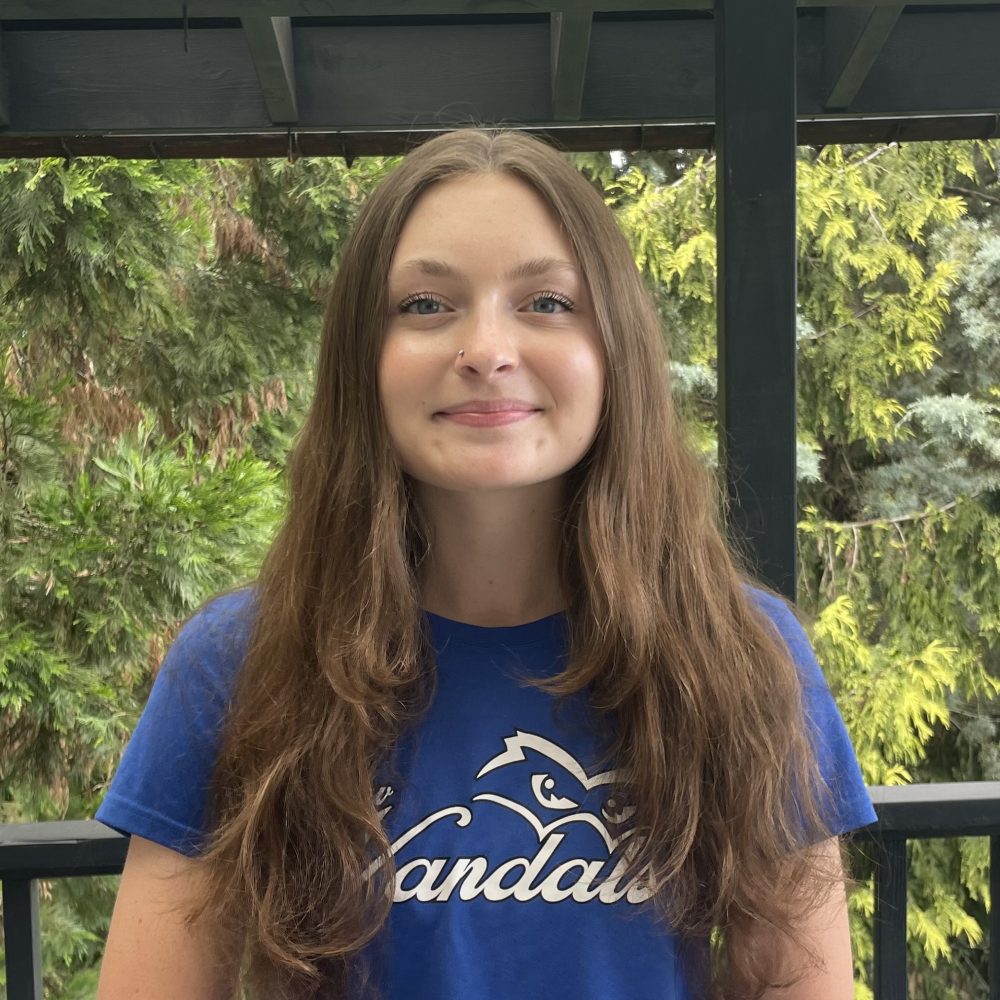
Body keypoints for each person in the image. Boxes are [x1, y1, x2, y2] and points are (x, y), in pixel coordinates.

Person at [94, 128, 876, 1000]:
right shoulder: (237, 663)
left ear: (614, 348)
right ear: (361, 360)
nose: (488, 350)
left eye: (546, 301)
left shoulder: (742, 653)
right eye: (427, 304)